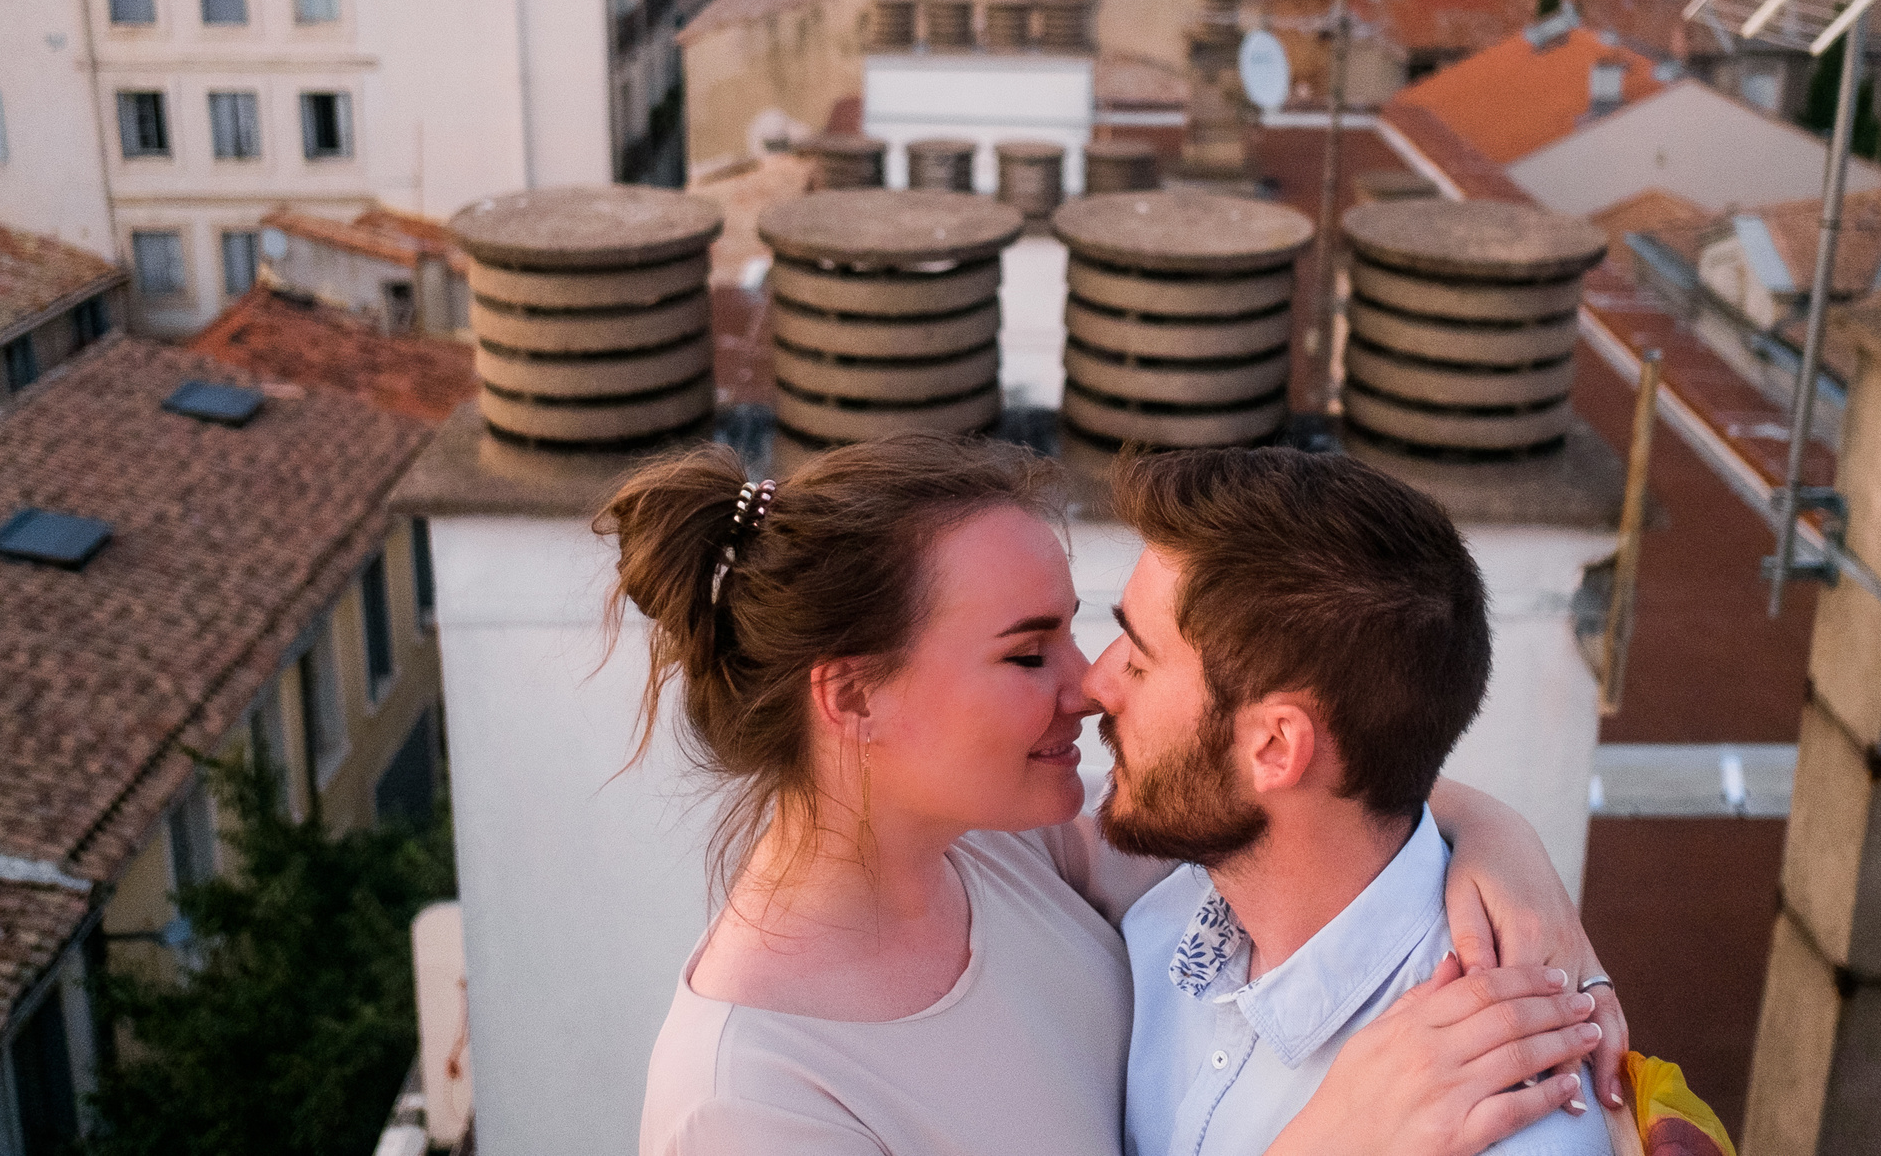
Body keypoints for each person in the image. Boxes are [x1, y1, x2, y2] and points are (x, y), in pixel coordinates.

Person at [609, 433, 1620, 1156]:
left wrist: (1500, 840)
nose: (1086, 682)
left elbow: (1309, 786)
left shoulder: (1012, 853)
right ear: (855, 696)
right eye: (1025, 652)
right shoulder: (746, 1101)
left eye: (1086, 635)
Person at [1093, 446, 1609, 1156]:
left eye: (1139, 659)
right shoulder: (1160, 915)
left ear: (1276, 746)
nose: (1097, 681)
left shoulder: (1507, 1125)